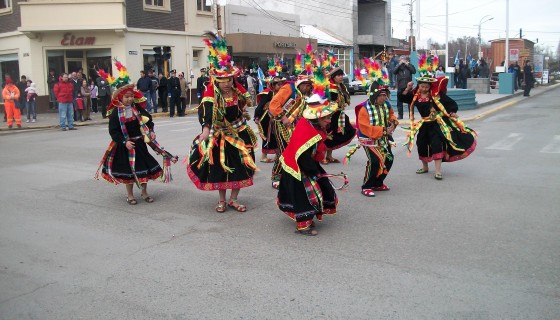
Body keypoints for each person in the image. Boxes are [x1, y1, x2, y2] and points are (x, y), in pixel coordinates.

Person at [186, 32, 257, 213]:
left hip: (238, 135)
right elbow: (206, 116)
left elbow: (243, 108)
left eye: (229, 80)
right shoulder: (211, 97)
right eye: (222, 80)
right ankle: (222, 200)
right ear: (216, 81)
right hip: (219, 137)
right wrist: (205, 130)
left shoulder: (236, 93)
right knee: (220, 168)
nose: (226, 83)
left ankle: (234, 199)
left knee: (240, 168)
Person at [96, 60, 177, 204]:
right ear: (120, 97)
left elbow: (149, 120)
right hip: (125, 146)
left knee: (143, 170)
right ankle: (130, 195)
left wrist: (151, 131)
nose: (129, 99)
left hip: (140, 144)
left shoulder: (138, 109)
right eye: (126, 97)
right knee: (129, 174)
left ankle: (145, 193)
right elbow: (113, 131)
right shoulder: (116, 113)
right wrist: (124, 142)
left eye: (131, 96)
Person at [399, 54, 477, 180]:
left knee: (437, 144)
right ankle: (425, 167)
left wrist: (452, 112)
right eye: (421, 86)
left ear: (430, 87)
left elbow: (452, 104)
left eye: (426, 86)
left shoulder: (436, 96)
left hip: (437, 123)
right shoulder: (415, 95)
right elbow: (403, 98)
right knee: (421, 143)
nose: (423, 88)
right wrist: (407, 88)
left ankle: (438, 171)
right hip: (424, 124)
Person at [277, 90, 339, 236]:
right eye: (326, 117)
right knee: (304, 195)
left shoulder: (313, 126)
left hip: (305, 162)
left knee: (320, 188)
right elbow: (303, 156)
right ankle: (303, 225)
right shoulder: (307, 130)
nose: (329, 120)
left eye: (329, 117)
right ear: (317, 118)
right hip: (297, 166)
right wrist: (314, 172)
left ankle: (309, 218)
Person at [346, 61, 397, 197]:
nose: (384, 97)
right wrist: (385, 131)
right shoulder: (364, 109)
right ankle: (366, 186)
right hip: (368, 138)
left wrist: (393, 122)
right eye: (381, 95)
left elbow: (391, 115)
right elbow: (365, 127)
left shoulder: (386, 104)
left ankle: (378, 183)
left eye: (385, 94)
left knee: (389, 159)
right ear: (374, 95)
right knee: (374, 161)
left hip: (383, 138)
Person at [268, 43, 315, 189]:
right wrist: (283, 118)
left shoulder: (309, 95)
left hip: (297, 125)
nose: (307, 87)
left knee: (296, 151)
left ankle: (292, 174)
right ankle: (276, 176)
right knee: (284, 150)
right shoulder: (289, 88)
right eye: (305, 85)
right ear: (299, 83)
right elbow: (273, 105)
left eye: (309, 85)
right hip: (281, 123)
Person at [324, 52, 356, 164]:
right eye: (338, 75)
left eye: (342, 75)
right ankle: (323, 156)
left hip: (339, 115)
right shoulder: (330, 88)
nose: (341, 77)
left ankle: (329, 155)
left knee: (343, 133)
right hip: (330, 116)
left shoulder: (340, 87)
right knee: (328, 134)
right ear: (333, 77)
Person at [254, 74, 285, 163]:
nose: (280, 86)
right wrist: (257, 117)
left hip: (277, 118)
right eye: (278, 84)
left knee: (278, 136)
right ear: (273, 85)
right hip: (267, 119)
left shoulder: (282, 94)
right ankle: (263, 156)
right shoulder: (268, 93)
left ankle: (277, 155)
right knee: (268, 137)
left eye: (281, 84)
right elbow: (260, 106)